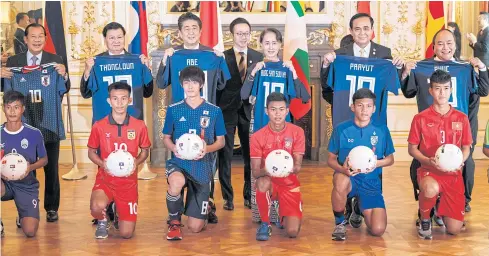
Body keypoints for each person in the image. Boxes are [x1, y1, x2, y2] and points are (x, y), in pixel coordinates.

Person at [402, 29, 489, 217]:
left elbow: (483, 91)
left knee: (465, 162)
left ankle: (462, 200)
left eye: (449, 43)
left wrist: (481, 69)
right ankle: (427, 200)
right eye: (440, 44)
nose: (445, 47)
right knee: (421, 162)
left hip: (458, 129)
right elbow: (408, 92)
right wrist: (406, 72)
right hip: (429, 130)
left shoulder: (465, 67)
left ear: (456, 45)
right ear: (433, 47)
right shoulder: (422, 66)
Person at [157, 12, 230, 223]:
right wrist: (164, 60)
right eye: (186, 29)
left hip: (205, 117)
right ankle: (175, 210)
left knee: (208, 160)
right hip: (180, 117)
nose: (190, 32)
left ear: (200, 31)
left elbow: (222, 84)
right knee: (180, 159)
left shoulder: (212, 55)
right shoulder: (174, 55)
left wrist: (221, 59)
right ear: (180, 33)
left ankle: (208, 203)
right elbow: (161, 83)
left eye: (194, 28)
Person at [3, 23, 70, 223]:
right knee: (21, 168)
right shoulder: (13, 62)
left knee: (51, 169)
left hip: (49, 123)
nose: (37, 39)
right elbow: (6, 93)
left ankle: (51, 207)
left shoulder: (55, 60)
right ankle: (23, 209)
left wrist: (64, 74)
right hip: (22, 127)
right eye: (33, 36)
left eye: (41, 36)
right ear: (25, 39)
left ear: (45, 38)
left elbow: (64, 88)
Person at [163, 66, 225, 240]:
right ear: (181, 84)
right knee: (176, 182)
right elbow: (166, 137)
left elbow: (221, 142)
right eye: (186, 82)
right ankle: (174, 222)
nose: (190, 86)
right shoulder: (174, 109)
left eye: (194, 82)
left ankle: (207, 207)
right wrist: (174, 148)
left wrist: (207, 148)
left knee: (195, 227)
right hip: (179, 164)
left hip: (202, 167)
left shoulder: (214, 111)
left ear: (201, 85)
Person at [408, 70, 472, 239]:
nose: (442, 93)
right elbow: (412, 149)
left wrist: (461, 161)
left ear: (451, 90)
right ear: (431, 91)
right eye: (437, 88)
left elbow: (466, 147)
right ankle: (425, 218)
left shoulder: (462, 118)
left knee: (454, 230)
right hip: (430, 171)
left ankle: (438, 207)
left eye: (445, 88)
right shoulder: (420, 118)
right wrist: (427, 161)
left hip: (453, 174)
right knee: (430, 188)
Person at [327, 88, 394, 241]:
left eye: (369, 106)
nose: (364, 110)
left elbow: (390, 159)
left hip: (370, 182)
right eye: (360, 105)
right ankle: (339, 222)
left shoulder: (381, 130)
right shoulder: (341, 129)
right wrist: (341, 169)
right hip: (348, 177)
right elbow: (330, 159)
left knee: (377, 230)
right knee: (340, 180)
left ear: (374, 108)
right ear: (353, 107)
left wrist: (376, 163)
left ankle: (358, 206)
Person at [87, 82, 151, 239]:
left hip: (128, 182)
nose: (119, 103)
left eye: (123, 98)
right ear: (109, 101)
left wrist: (136, 163)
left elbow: (145, 151)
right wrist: (103, 164)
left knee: (126, 234)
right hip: (106, 179)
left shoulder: (139, 125)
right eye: (115, 99)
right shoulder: (99, 126)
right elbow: (91, 152)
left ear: (129, 100)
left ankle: (118, 212)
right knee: (96, 206)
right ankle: (102, 220)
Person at [217, 17, 263, 211]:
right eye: (239, 33)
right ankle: (227, 197)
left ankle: (247, 194)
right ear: (232, 35)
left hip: (249, 110)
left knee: (250, 155)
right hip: (226, 110)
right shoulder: (221, 56)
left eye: (246, 33)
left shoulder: (259, 57)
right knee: (224, 156)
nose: (243, 37)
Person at [250, 92, 305, 241]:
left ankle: (282, 212)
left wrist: (288, 167)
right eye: (273, 109)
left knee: (292, 232)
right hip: (270, 182)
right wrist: (267, 170)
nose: (277, 114)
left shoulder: (297, 132)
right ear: (266, 111)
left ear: (287, 111)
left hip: (289, 184)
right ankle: (265, 224)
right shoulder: (257, 137)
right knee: (262, 182)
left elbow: (298, 166)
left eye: (281, 109)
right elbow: (255, 172)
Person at [0, 91, 48, 237]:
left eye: (16, 107)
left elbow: (44, 159)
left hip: (26, 184)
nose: (12, 111)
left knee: (30, 231)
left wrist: (30, 167)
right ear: (3, 108)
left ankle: (23, 213)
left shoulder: (34, 133)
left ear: (23, 109)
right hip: (4, 183)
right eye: (9, 107)